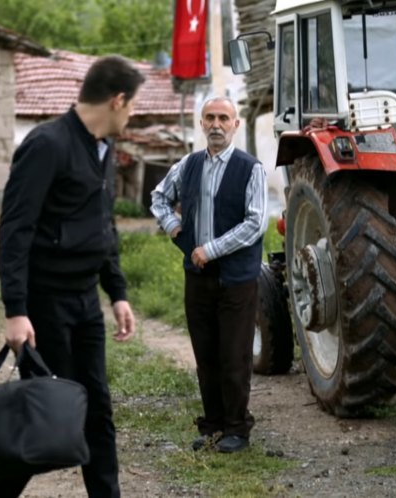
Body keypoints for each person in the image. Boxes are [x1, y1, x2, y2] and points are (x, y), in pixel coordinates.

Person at [0, 55, 144, 498]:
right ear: (117, 100)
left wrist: (116, 291)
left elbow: (103, 225)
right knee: (47, 414)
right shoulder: (47, 145)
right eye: (131, 106)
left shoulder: (103, 149)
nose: (132, 115)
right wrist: (16, 310)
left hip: (84, 303)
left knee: (96, 409)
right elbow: (15, 230)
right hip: (45, 303)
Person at [150, 96, 268, 453]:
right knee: (206, 354)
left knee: (234, 356)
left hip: (236, 278)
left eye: (223, 118)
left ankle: (237, 429)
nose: (216, 124)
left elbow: (256, 222)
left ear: (235, 125)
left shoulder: (252, 169)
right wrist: (173, 226)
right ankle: (213, 425)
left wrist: (210, 249)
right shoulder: (188, 165)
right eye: (209, 118)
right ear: (201, 124)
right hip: (197, 276)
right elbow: (158, 197)